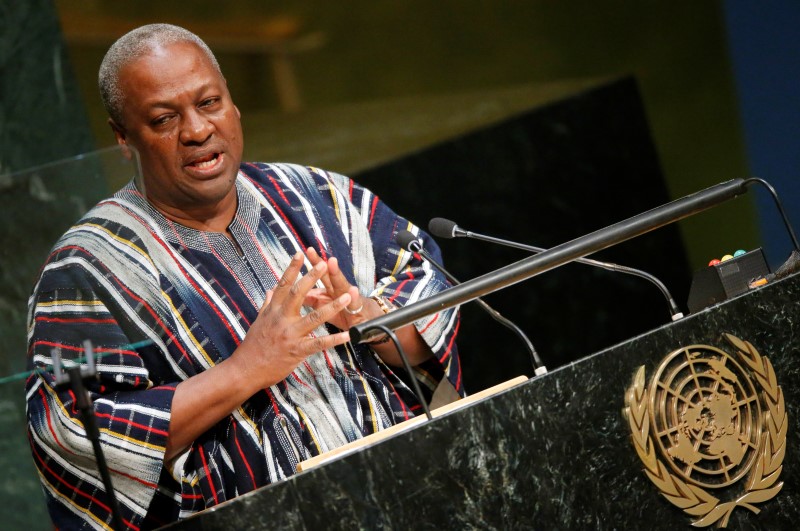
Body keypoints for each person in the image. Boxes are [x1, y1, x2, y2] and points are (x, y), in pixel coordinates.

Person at [25, 23, 461, 530]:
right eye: (165, 118)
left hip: (409, 496)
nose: (196, 130)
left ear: (233, 104)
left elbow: (428, 296)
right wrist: (247, 369)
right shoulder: (82, 273)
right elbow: (74, 430)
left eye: (209, 103)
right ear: (123, 137)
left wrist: (369, 317)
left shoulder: (317, 197)